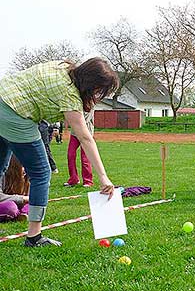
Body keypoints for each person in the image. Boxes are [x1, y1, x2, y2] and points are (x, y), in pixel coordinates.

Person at [0, 57, 119, 247]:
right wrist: (103, 177)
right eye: (99, 90)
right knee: (41, 173)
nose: (98, 95)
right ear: (91, 83)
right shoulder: (69, 95)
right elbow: (85, 138)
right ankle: (34, 237)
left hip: (2, 96)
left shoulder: (63, 66)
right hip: (15, 113)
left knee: (1, 167)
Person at [64, 110, 95, 187]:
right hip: (75, 133)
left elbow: (84, 120)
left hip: (86, 133)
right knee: (70, 155)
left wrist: (72, 121)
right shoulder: (75, 102)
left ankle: (88, 181)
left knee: (85, 157)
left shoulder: (89, 103)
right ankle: (73, 179)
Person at [0, 155, 29, 222]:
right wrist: (23, 199)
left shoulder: (27, 177)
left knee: (32, 205)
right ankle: (19, 214)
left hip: (17, 203)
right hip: (4, 203)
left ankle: (21, 214)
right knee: (10, 207)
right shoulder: (2, 175)